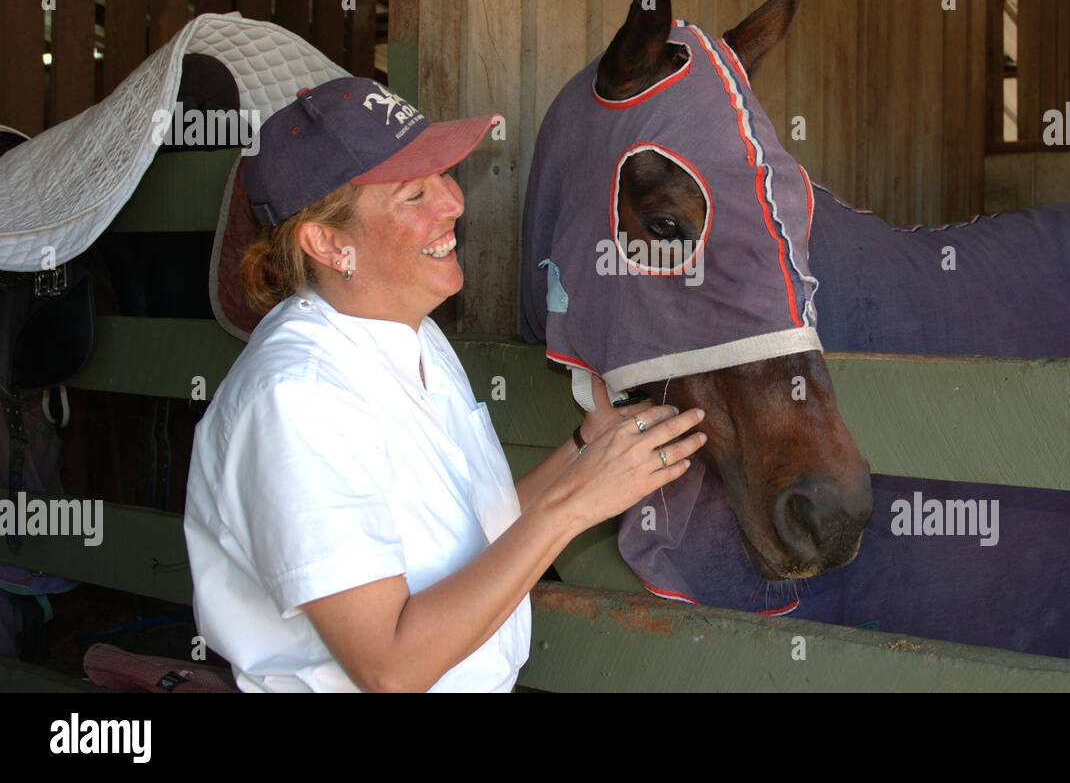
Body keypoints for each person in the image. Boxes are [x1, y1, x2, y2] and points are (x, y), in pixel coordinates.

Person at [183, 77, 706, 692]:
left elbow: (474, 534)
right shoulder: (297, 398)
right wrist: (575, 506)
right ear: (328, 243)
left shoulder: (411, 333)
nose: (454, 203)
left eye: (444, 177)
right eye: (414, 194)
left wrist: (585, 449)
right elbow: (389, 668)